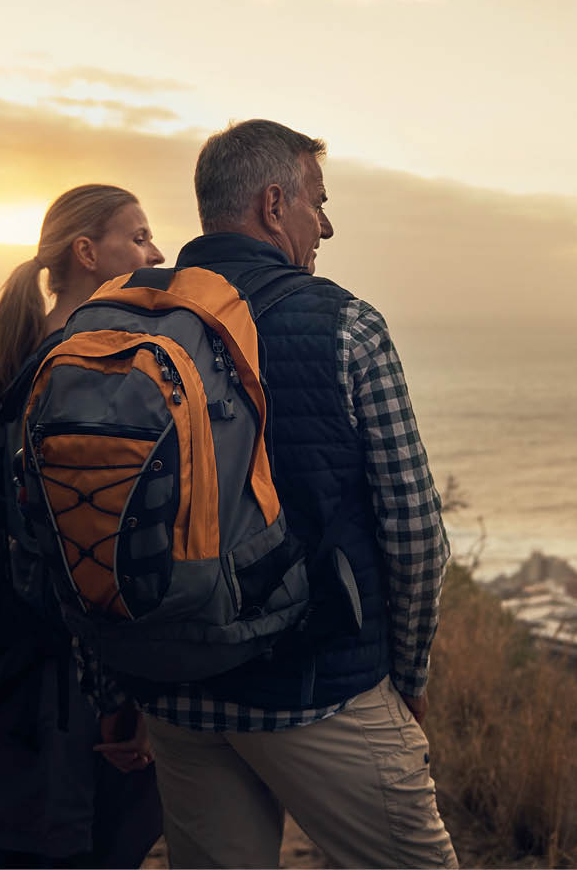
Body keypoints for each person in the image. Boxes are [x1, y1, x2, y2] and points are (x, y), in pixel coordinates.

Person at [91, 121, 458, 869]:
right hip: (318, 690)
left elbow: (90, 511)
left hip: (177, 693)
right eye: (317, 202)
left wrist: (117, 677)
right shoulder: (343, 325)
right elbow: (416, 531)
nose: (325, 223)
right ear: (272, 202)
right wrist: (409, 676)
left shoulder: (117, 322)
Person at [0, 184, 166, 869]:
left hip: (14, 672)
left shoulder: (28, 355)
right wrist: (128, 699)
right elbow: (92, 550)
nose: (156, 252)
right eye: (139, 235)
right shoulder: (89, 367)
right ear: (87, 252)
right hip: (69, 697)